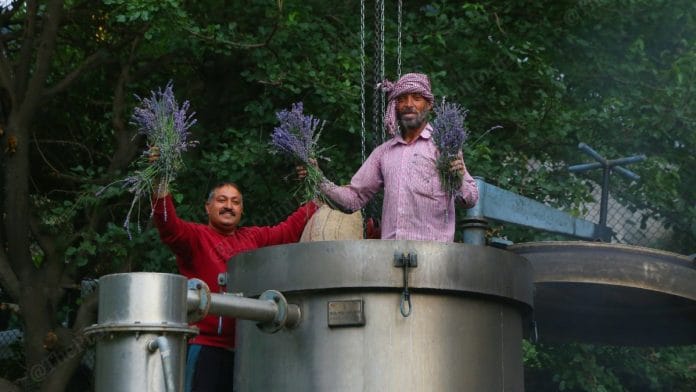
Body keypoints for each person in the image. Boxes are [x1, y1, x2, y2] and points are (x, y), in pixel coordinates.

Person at [150, 161, 318, 392]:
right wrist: (160, 185)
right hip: (205, 348)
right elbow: (168, 226)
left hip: (246, 351)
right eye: (222, 200)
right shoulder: (196, 238)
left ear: (242, 210)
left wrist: (316, 186)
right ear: (207, 207)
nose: (229, 206)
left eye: (235, 202)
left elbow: (289, 229)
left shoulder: (253, 239)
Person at [306, 72, 478, 242]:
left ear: (429, 104)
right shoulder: (384, 153)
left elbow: (470, 199)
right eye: (402, 99)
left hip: (434, 258)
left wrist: (459, 178)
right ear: (395, 105)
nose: (408, 104)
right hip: (390, 258)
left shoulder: (444, 147)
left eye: (417, 98)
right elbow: (352, 200)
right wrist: (317, 177)